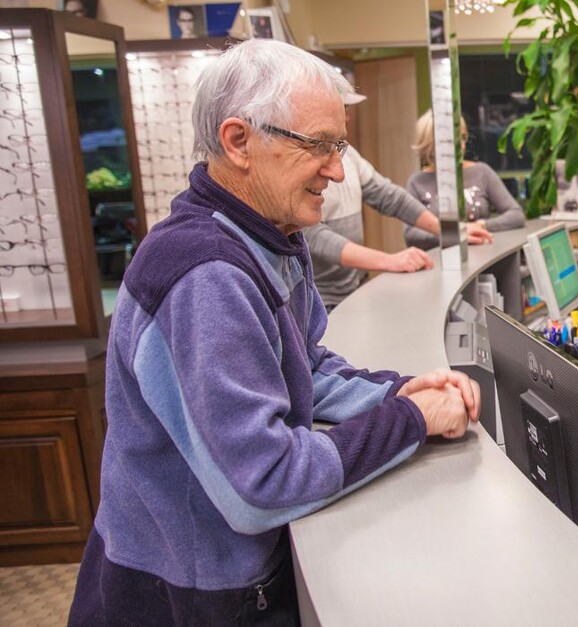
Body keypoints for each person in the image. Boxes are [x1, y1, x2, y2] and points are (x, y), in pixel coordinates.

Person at [67, 39, 481, 625]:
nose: (337, 170)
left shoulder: (268, 235)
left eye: (339, 146)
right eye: (319, 146)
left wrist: (396, 392)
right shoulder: (205, 274)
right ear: (239, 141)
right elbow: (262, 484)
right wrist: (410, 421)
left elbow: (304, 367)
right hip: (188, 594)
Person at [302, 91, 439, 310]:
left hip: (353, 288)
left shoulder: (348, 155)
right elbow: (313, 236)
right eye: (342, 108)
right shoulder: (304, 164)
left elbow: (387, 196)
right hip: (320, 300)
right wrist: (389, 261)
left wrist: (446, 229)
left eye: (347, 109)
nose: (347, 117)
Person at [404, 110, 525, 250]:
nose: (461, 145)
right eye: (453, 139)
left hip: (483, 255)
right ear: (431, 143)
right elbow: (411, 235)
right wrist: (458, 233)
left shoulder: (481, 172)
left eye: (462, 137)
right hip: (439, 261)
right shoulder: (417, 182)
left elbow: (516, 214)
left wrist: (481, 226)